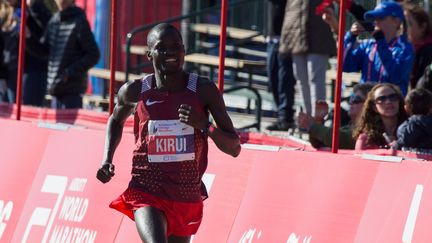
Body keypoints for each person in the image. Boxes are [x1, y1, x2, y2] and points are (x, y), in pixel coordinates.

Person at [96, 23, 241, 243]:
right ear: (149, 54)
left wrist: (204, 125)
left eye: (176, 46)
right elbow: (115, 120)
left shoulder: (203, 90)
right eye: (162, 48)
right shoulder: (135, 91)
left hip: (186, 195)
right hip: (147, 189)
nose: (171, 52)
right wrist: (107, 159)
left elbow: (234, 148)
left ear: (184, 50)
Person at [35, 0, 100, 109]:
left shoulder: (79, 21)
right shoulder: (54, 21)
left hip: (71, 91)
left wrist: (68, 74)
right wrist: (27, 36)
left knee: (68, 125)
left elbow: (93, 54)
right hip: (55, 89)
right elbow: (42, 50)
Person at [343, 1, 414, 96]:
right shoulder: (368, 45)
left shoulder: (405, 49)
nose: (375, 22)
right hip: (366, 105)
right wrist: (350, 37)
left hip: (389, 106)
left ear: (396, 22)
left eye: (380, 18)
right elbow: (345, 65)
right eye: (374, 18)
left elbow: (395, 76)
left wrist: (381, 41)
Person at [279, 0, 337, 116]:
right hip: (296, 35)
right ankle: (308, 118)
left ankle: (318, 120)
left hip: (319, 34)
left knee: (316, 78)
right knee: (301, 78)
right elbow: (290, 11)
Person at [0, 0, 51, 106]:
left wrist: (34, 7)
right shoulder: (6, 12)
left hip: (31, 71)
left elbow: (44, 43)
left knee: (25, 111)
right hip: (9, 72)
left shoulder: (33, 8)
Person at [298, 82, 375, 149]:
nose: (351, 103)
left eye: (356, 99)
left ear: (368, 105)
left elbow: (343, 139)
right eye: (351, 99)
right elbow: (319, 144)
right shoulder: (350, 126)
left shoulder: (371, 129)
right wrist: (319, 120)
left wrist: (312, 126)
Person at [265, 0, 296, 131]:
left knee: (285, 79)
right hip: (272, 37)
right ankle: (281, 115)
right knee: (273, 78)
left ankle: (285, 117)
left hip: (286, 37)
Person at [353, 83, 408, 150]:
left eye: (393, 97)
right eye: (381, 99)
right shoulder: (365, 139)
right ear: (374, 107)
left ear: (399, 102)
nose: (388, 101)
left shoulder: (412, 132)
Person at [404, 4, 432, 89]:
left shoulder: (428, 51)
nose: (404, 28)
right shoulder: (408, 50)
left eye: (409, 24)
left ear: (423, 26)